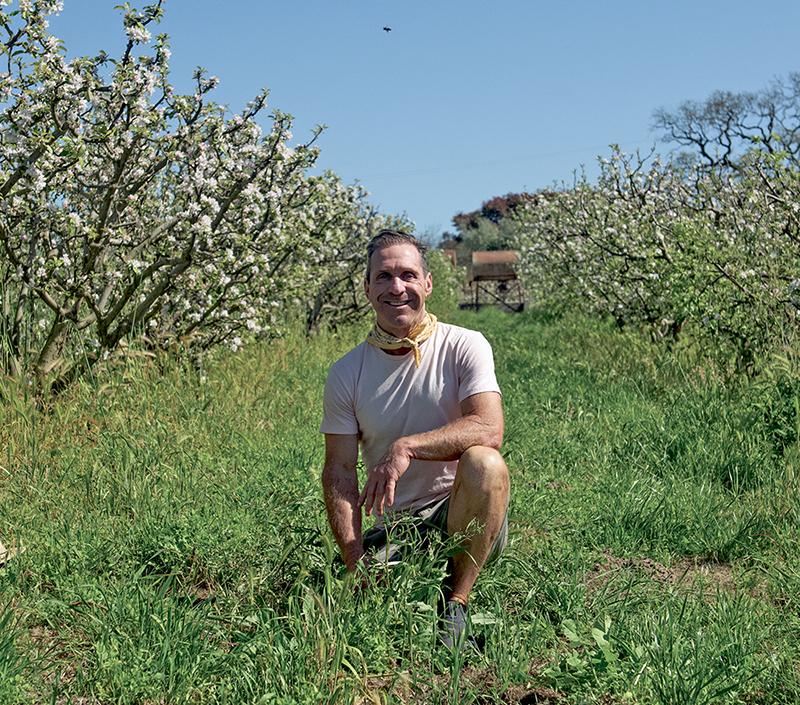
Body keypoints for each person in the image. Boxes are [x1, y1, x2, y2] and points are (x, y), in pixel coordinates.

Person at [320, 229, 510, 650]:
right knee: (357, 601)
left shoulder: (464, 345)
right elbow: (338, 470)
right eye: (383, 277)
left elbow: (488, 428)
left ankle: (457, 604)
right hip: (400, 525)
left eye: (408, 274)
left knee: (485, 463)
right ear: (367, 289)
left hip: (465, 510)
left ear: (427, 283)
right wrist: (354, 561)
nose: (397, 287)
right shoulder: (347, 373)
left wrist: (405, 447)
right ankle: (409, 573)